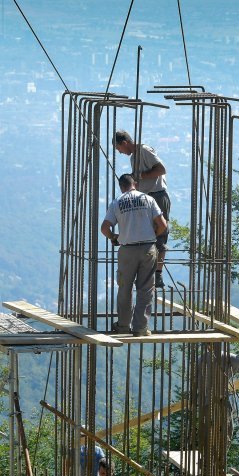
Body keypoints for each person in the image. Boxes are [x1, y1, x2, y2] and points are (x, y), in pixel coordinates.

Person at [101, 173, 167, 336]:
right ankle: (140, 328)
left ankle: (123, 325)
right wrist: (153, 234)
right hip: (147, 249)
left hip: (127, 250)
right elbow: (163, 225)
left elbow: (104, 228)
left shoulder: (117, 202)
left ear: (121, 187)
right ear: (135, 184)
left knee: (125, 288)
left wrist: (114, 237)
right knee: (145, 289)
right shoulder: (148, 199)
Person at [112, 130, 171, 289]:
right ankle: (149, 270)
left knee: (160, 234)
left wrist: (140, 176)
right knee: (147, 234)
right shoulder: (134, 157)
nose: (120, 152)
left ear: (124, 143)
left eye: (119, 148)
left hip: (157, 196)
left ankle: (157, 274)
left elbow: (161, 169)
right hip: (146, 197)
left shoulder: (143, 150)